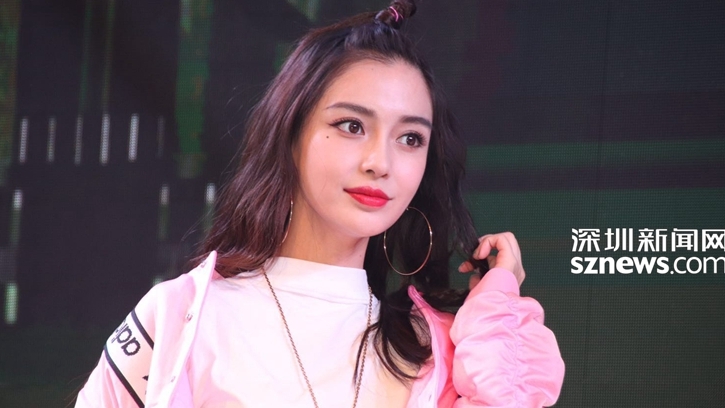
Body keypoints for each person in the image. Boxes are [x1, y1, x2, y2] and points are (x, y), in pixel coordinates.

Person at [76, 1, 564, 406]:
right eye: (352, 126)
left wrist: (499, 308)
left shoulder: (433, 346)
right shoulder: (181, 317)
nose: (381, 162)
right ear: (291, 134)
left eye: (410, 138)